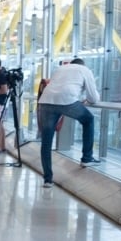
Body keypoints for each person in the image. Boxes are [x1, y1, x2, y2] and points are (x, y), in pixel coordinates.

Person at [38, 58, 101, 188]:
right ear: (83, 65)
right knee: (88, 120)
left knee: (46, 141)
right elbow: (93, 98)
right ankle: (86, 158)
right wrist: (85, 100)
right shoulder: (85, 70)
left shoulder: (60, 68)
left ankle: (48, 179)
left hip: (45, 101)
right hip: (67, 101)